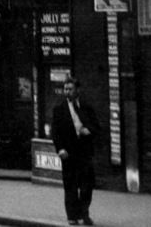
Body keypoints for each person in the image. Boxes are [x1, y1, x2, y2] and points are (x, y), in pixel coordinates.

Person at [52, 76, 100, 226]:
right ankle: (72, 216)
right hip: (69, 152)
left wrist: (89, 130)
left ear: (77, 90)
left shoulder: (86, 107)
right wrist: (60, 149)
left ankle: (84, 213)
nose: (67, 92)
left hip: (84, 151)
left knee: (87, 186)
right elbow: (55, 132)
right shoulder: (59, 109)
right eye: (65, 89)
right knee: (71, 186)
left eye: (70, 89)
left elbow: (97, 127)